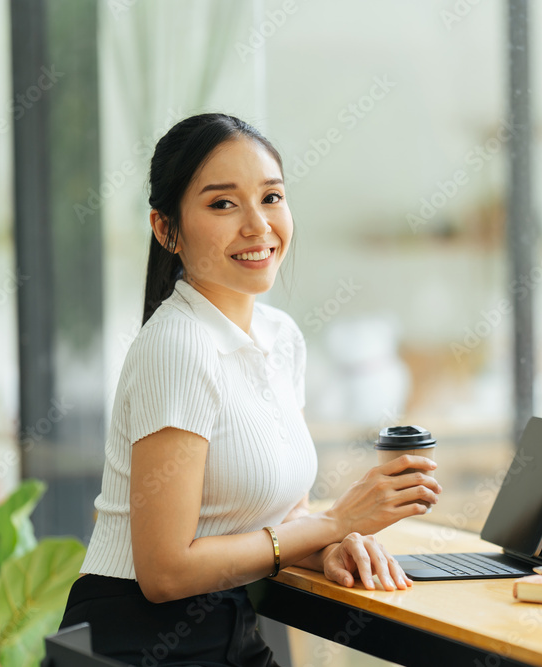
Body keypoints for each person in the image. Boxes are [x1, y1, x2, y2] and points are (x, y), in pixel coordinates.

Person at [56, 113, 442, 667]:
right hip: (139, 644)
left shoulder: (280, 337)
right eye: (222, 204)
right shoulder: (178, 345)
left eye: (272, 197)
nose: (258, 225)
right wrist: (334, 524)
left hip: (229, 633)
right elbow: (165, 573)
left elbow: (282, 519)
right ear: (166, 229)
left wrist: (330, 547)